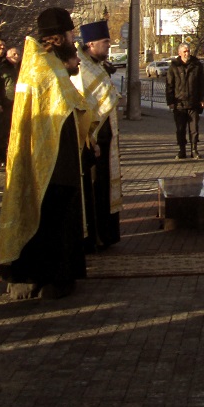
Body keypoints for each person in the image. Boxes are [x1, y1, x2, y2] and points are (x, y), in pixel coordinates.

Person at [0, 7, 90, 301]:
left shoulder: (45, 62)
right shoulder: (45, 67)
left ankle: (43, 276)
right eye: (71, 34)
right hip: (52, 159)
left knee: (49, 214)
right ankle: (51, 278)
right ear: (59, 37)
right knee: (52, 216)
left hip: (55, 155)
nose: (74, 40)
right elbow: (69, 104)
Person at [72, 20, 123, 251]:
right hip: (93, 138)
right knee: (95, 190)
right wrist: (90, 137)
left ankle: (106, 235)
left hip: (106, 137)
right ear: (91, 44)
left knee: (105, 188)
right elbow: (85, 104)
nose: (108, 45)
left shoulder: (97, 65)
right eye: (105, 42)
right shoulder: (82, 68)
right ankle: (95, 237)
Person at [165, 43, 204, 160]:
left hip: (193, 102)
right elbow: (169, 85)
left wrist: (203, 99)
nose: (187, 53)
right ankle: (181, 150)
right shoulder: (174, 66)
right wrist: (170, 101)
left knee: (194, 129)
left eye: (188, 51)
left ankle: (194, 150)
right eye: (184, 51)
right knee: (180, 129)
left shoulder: (196, 65)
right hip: (179, 104)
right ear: (179, 53)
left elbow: (202, 84)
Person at [0, 46, 21, 168]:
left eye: (18, 54)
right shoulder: (2, 69)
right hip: (5, 104)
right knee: (3, 132)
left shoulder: (22, 68)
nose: (17, 56)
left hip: (19, 104)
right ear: (8, 56)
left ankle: (15, 156)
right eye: (14, 54)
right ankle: (2, 157)